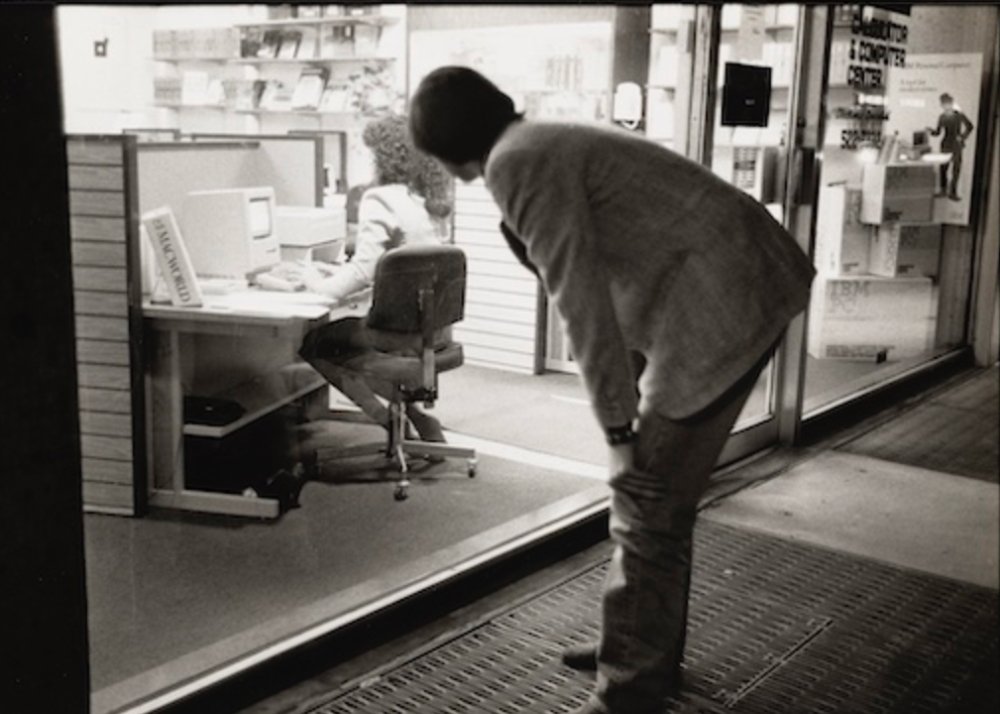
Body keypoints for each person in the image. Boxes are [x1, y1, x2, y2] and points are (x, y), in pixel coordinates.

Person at [409, 66, 815, 714]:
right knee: (657, 505)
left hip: (726, 303)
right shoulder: (538, 138)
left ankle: (628, 692)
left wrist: (621, 432)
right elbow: (608, 270)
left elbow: (579, 299)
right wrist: (625, 404)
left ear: (447, 147)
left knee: (645, 502)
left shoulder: (518, 162)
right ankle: (635, 653)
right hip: (740, 279)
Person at [294, 113, 453, 444]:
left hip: (398, 336)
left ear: (385, 156)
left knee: (315, 344)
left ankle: (389, 422)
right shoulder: (429, 201)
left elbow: (364, 271)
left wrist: (316, 283)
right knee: (347, 344)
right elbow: (398, 266)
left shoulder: (381, 198)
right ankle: (416, 418)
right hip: (435, 331)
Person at [927, 92, 974, 201]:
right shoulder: (942, 117)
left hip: (956, 145)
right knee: (943, 168)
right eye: (943, 104)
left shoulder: (959, 115)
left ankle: (953, 192)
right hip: (946, 143)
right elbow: (938, 132)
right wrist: (930, 131)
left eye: (947, 103)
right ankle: (943, 190)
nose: (945, 106)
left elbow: (970, 126)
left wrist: (962, 137)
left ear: (951, 103)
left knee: (956, 169)